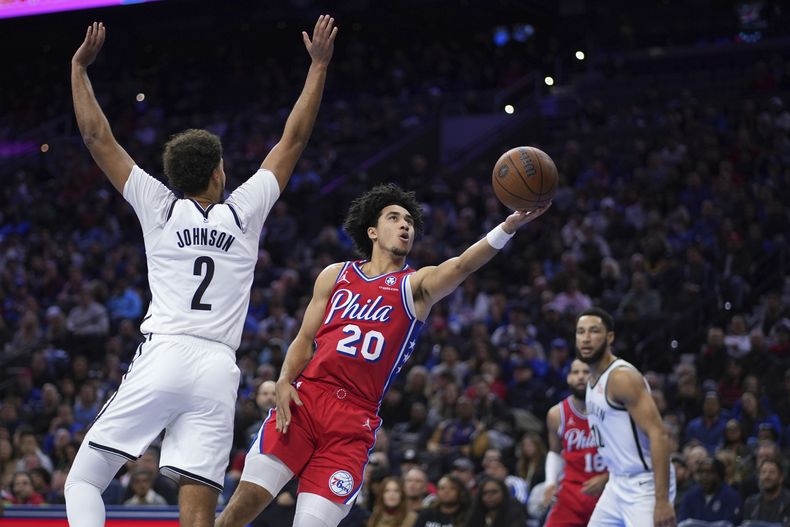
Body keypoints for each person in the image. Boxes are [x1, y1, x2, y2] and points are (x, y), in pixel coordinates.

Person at [64, 15, 337, 527]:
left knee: (84, 481)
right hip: (217, 368)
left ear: (174, 176)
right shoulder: (244, 210)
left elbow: (96, 137)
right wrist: (318, 66)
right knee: (197, 514)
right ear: (219, 172)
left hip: (165, 349)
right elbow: (294, 138)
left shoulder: (159, 207)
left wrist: (80, 69)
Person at [216, 183, 550, 527]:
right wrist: (284, 379)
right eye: (394, 218)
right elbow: (304, 338)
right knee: (241, 509)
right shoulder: (336, 275)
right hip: (305, 401)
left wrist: (507, 227)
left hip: (353, 420)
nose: (405, 225)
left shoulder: (415, 287)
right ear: (373, 231)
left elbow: (463, 265)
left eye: (409, 221)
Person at [576, 307, 676, 527]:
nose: (586, 338)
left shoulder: (622, 377)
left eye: (593, 331)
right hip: (617, 482)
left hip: (646, 485)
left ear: (609, 337)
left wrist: (661, 501)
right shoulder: (592, 379)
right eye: (580, 332)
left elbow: (658, 434)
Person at [543, 359, 609, 526]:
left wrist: (608, 477)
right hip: (571, 493)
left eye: (586, 372)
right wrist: (551, 482)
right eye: (575, 372)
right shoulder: (556, 414)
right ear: (568, 378)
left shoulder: (612, 411)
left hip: (608, 491)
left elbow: (629, 453)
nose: (581, 377)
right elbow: (555, 452)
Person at [742, 458, 790, 524]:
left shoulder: (788, 502)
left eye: (772, 472)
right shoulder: (751, 503)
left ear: (781, 478)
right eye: (763, 472)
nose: (767, 476)